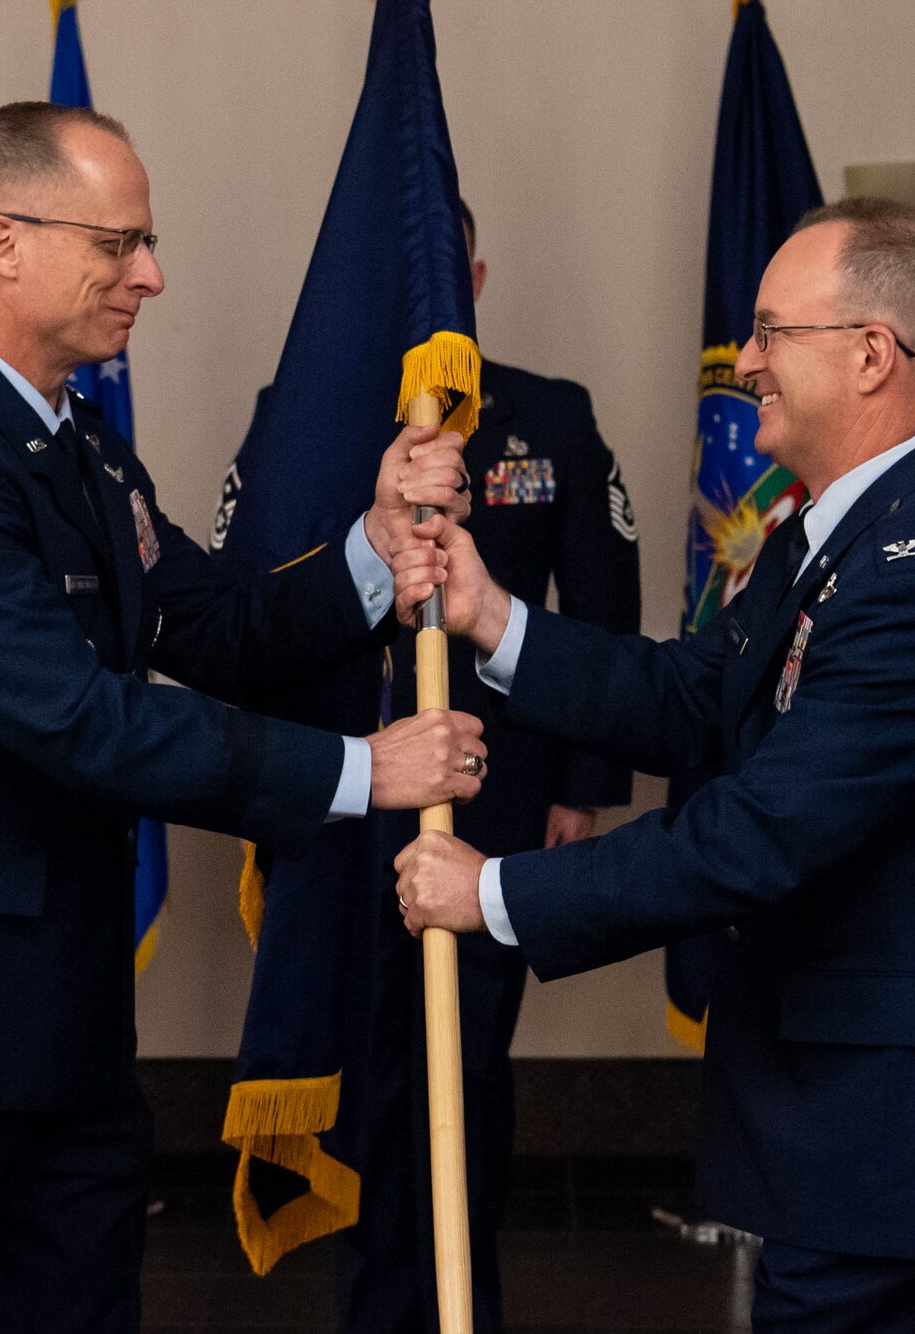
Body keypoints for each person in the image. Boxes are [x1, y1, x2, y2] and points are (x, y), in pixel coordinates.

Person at [0, 102, 488, 1334]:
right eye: (118, 244)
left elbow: (216, 625)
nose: (151, 275)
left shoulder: (81, 455)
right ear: (2, 241)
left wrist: (376, 551)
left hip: (65, 1034)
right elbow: (79, 721)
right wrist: (357, 769)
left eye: (146, 243)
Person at [396, 198, 915, 1333]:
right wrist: (493, 618)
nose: (743, 363)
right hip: (879, 1139)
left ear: (871, 355)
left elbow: (754, 833)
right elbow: (699, 694)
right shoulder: (831, 533)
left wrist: (487, 892)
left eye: (771, 333)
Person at [334, 200, 642, 1333]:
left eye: (442, 278)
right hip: (347, 784)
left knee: (466, 1058)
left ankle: (465, 1300)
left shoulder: (547, 417)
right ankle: (374, 1304)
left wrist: (580, 782)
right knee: (361, 1058)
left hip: (493, 792)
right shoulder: (313, 406)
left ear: (473, 277)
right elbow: (253, 589)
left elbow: (602, 605)